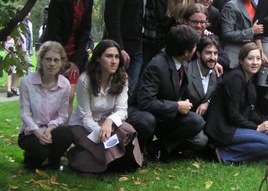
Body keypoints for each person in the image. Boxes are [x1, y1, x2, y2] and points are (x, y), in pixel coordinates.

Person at [128, 25, 207, 160]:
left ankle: (158, 148)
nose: (196, 50)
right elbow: (145, 102)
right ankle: (138, 150)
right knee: (146, 120)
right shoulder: (157, 66)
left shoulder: (181, 60)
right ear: (187, 52)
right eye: (194, 47)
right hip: (145, 113)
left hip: (165, 114)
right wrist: (176, 106)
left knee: (196, 121)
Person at [67, 40, 144, 173]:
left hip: (108, 121)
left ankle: (118, 159)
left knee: (127, 130)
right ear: (98, 58)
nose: (114, 61)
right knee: (102, 146)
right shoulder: (85, 80)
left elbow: (122, 110)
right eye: (109, 56)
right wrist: (100, 131)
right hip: (84, 125)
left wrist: (109, 122)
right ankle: (80, 158)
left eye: (117, 57)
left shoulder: (122, 78)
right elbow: (85, 116)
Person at [205, 43, 268, 163]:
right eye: (250, 58)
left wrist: (264, 122)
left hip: (233, 126)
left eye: (258, 59)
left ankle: (227, 151)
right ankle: (222, 154)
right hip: (222, 129)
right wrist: (257, 127)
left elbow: (249, 110)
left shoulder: (248, 78)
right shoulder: (235, 78)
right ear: (241, 61)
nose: (255, 62)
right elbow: (233, 115)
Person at [41, 0, 94, 110]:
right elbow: (53, 32)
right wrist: (61, 61)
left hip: (76, 54)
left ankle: (65, 130)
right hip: (56, 52)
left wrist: (76, 61)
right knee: (54, 95)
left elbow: (85, 30)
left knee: (70, 96)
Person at [18, 41, 74, 170]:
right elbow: (25, 114)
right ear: (41, 60)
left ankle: (53, 161)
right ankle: (35, 157)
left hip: (52, 130)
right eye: (48, 59)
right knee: (41, 153)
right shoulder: (27, 82)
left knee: (67, 134)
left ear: (62, 62)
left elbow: (63, 115)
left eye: (56, 60)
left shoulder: (65, 84)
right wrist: (38, 133)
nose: (52, 64)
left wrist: (49, 129)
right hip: (31, 131)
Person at [220, 0, 261, 68]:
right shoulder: (231, 6)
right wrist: (251, 31)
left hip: (250, 58)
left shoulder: (255, 5)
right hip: (234, 57)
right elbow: (227, 34)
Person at [183, 37, 221, 122]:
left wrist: (207, 102)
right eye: (208, 53)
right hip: (186, 121)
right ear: (198, 53)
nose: (213, 57)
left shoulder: (216, 73)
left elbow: (218, 96)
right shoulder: (186, 70)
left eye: (215, 53)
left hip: (208, 121)